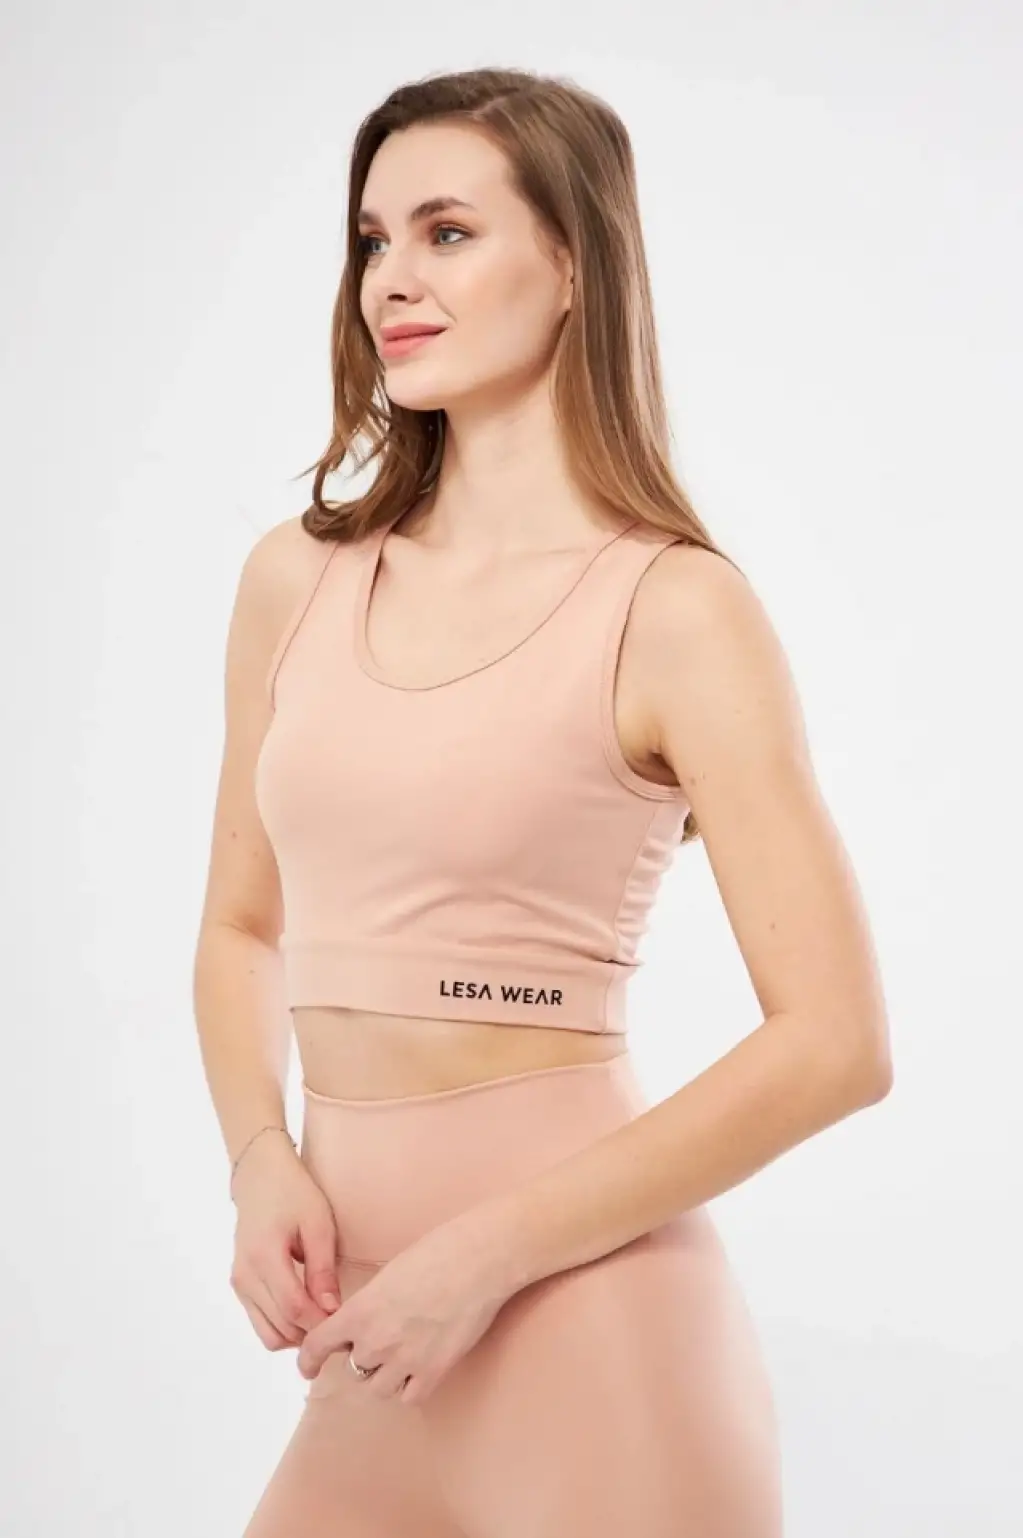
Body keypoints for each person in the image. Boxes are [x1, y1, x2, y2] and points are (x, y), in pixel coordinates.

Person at [193, 66, 893, 1538]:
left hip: (592, 1334)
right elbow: (243, 927)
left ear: (574, 265)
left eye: (447, 232)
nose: (392, 278)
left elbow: (837, 1042)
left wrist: (484, 1256)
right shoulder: (294, 580)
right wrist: (259, 1158)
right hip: (369, 1348)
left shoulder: (677, 610)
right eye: (373, 239)